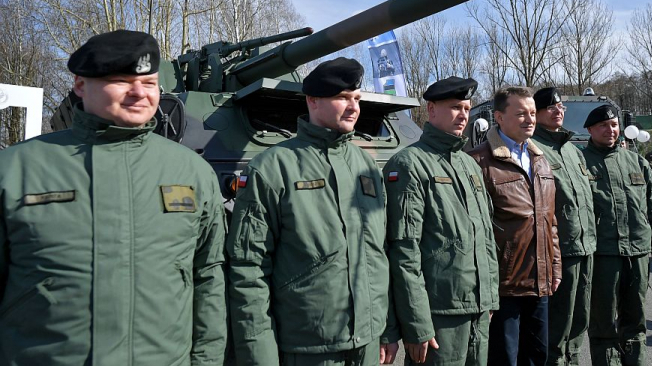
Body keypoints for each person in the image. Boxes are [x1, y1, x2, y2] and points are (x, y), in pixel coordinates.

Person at [0, 30, 227, 365]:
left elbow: (208, 278)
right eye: (121, 80)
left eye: (149, 83)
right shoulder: (16, 169)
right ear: (80, 84)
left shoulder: (192, 172)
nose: (139, 93)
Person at [226, 57, 399, 366]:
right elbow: (249, 269)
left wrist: (386, 329)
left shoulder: (366, 166)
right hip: (307, 348)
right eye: (343, 98)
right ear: (313, 100)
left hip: (367, 343)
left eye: (357, 98)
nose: (353, 107)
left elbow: (379, 252)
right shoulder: (273, 168)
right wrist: (259, 355)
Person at [384, 76, 499, 366]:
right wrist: (417, 323)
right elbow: (403, 251)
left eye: (467, 107)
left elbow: (485, 235)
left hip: (477, 311)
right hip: (439, 317)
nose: (463, 114)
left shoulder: (468, 164)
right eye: (455, 107)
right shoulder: (409, 164)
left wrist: (489, 297)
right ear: (431, 109)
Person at [467, 86, 561, 366]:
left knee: (537, 355)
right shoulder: (478, 161)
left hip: (540, 282)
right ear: (499, 117)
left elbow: (550, 220)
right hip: (504, 286)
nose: (530, 119)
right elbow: (476, 231)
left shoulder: (540, 160)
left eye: (532, 113)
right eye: (520, 113)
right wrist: (486, 286)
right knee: (503, 359)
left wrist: (554, 266)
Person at [582, 104, 652, 366]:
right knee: (603, 322)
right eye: (603, 126)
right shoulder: (580, 162)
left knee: (636, 319)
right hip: (603, 254)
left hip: (638, 252)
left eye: (613, 125)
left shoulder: (636, 161)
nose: (610, 130)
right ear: (590, 130)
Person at [530, 87, 596, 366]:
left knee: (581, 317)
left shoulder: (572, 150)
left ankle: (573, 361)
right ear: (538, 113)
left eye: (561, 107)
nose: (559, 111)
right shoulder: (534, 149)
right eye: (551, 107)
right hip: (560, 249)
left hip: (586, 246)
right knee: (559, 320)